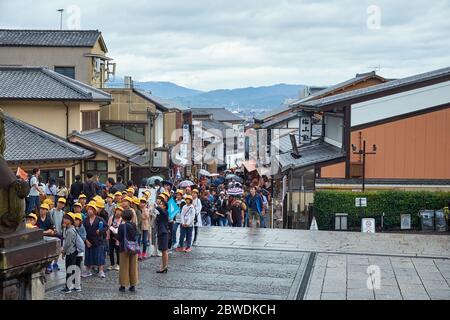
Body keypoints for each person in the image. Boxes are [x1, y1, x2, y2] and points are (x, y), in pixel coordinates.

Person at [82, 203, 107, 278]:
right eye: (89, 209)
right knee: (88, 256)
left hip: (98, 240)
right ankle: (88, 271)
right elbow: (82, 231)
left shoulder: (100, 219)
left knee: (99, 256)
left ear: (95, 211)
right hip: (88, 241)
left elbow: (106, 227)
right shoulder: (85, 220)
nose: (89, 211)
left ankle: (101, 271)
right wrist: (86, 240)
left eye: (91, 209)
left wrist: (100, 230)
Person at [117, 209, 139, 292]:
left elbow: (119, 238)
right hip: (133, 248)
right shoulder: (134, 225)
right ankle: (133, 285)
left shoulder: (122, 226)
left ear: (123, 217)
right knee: (133, 266)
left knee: (124, 267)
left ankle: (123, 285)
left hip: (124, 248)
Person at [61, 212, 81, 293]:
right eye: (64, 218)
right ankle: (76, 286)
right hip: (74, 251)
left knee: (69, 269)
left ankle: (68, 287)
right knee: (74, 269)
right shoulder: (72, 229)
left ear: (71, 221)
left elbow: (67, 244)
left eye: (67, 219)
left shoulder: (70, 231)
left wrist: (63, 252)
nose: (64, 220)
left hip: (70, 252)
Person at [155, 199, 169, 273]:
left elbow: (160, 210)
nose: (159, 205)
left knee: (164, 251)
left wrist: (156, 206)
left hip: (164, 232)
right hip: (160, 232)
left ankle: (164, 267)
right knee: (163, 251)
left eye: (161, 204)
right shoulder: (161, 213)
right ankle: (163, 266)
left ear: (164, 207)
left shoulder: (165, 212)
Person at [107, 207, 123, 271]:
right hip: (111, 236)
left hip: (118, 237)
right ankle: (112, 264)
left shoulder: (122, 219)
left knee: (118, 251)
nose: (118, 212)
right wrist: (107, 236)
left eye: (120, 211)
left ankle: (118, 264)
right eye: (117, 210)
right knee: (111, 250)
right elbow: (108, 226)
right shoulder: (111, 218)